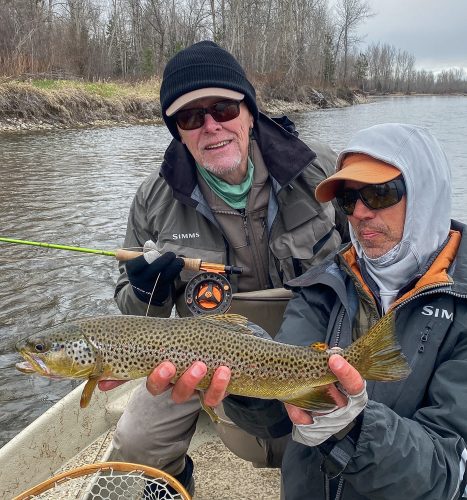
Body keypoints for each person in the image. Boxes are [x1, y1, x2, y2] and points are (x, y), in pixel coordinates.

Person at [161, 122, 467, 499]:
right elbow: (274, 419)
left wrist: (356, 428)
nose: (359, 214)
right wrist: (236, 380)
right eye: (348, 200)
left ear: (426, 193)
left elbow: (447, 476)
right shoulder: (323, 285)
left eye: (380, 194)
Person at [102, 40, 346, 493]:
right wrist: (143, 292)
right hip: (198, 356)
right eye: (191, 117)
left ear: (250, 112)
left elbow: (371, 265)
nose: (211, 126)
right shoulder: (152, 201)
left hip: (314, 341)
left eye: (223, 108)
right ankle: (175, 484)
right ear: (177, 131)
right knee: (135, 443)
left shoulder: (320, 169)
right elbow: (131, 321)